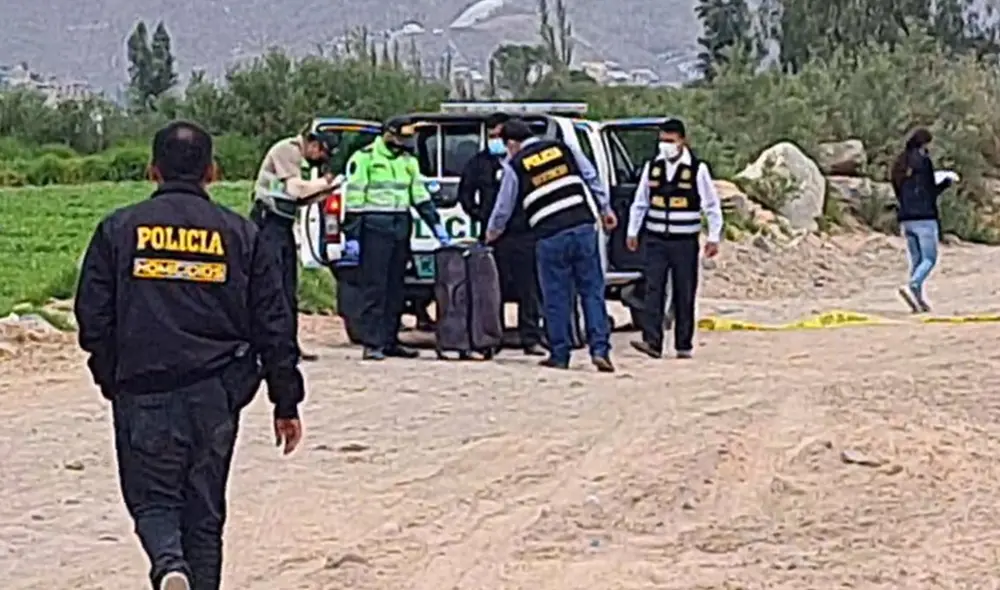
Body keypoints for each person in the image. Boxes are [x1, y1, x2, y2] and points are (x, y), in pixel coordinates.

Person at [74, 121, 306, 590]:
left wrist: (111, 375)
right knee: (204, 511)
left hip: (142, 388)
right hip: (215, 394)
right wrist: (285, 400)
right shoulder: (241, 234)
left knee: (153, 500)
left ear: (152, 170)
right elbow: (273, 323)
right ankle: (188, 576)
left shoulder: (119, 230)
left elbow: (92, 316)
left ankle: (168, 566)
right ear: (213, 172)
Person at [485, 119, 617, 372]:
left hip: (549, 235)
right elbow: (590, 175)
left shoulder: (515, 164)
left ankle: (560, 353)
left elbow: (504, 206)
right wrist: (605, 209)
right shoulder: (562, 148)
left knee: (556, 296)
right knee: (592, 291)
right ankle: (600, 350)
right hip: (583, 226)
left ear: (512, 143)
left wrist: (492, 232)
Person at [344, 116, 449, 360]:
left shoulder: (408, 162)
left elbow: (420, 196)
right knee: (375, 288)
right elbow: (354, 200)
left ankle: (390, 340)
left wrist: (437, 227)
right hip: (375, 227)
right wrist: (352, 235)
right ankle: (372, 343)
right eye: (401, 137)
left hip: (401, 226)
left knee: (396, 288)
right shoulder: (365, 158)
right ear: (388, 135)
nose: (405, 142)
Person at [626, 117, 722, 360]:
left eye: (670, 141)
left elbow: (711, 205)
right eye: (662, 140)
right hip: (656, 239)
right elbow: (641, 202)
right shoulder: (652, 167)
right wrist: (632, 231)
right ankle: (652, 342)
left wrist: (713, 236)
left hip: (685, 241)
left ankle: (683, 344)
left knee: (684, 292)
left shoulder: (697, 169)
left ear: (682, 141)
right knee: (652, 289)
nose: (665, 145)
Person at [458, 112, 544, 356]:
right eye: (493, 135)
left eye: (501, 136)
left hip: (523, 232)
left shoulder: (524, 161)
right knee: (491, 288)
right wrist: (481, 217)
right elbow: (465, 195)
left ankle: (531, 338)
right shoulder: (479, 163)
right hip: (494, 236)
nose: (497, 140)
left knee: (528, 288)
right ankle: (491, 338)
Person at [250, 131, 341, 361]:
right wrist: (325, 182)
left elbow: (299, 200)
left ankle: (289, 347)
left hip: (283, 225)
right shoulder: (286, 150)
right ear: (312, 143)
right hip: (267, 223)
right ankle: (269, 347)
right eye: (321, 152)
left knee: (289, 289)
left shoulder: (297, 159)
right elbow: (295, 190)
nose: (319, 158)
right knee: (273, 287)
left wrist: (326, 192)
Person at [889, 127, 956, 312]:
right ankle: (914, 284)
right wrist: (945, 183)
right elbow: (929, 191)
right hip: (924, 217)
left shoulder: (900, 164)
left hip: (906, 218)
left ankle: (917, 299)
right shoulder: (923, 163)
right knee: (929, 258)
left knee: (917, 260)